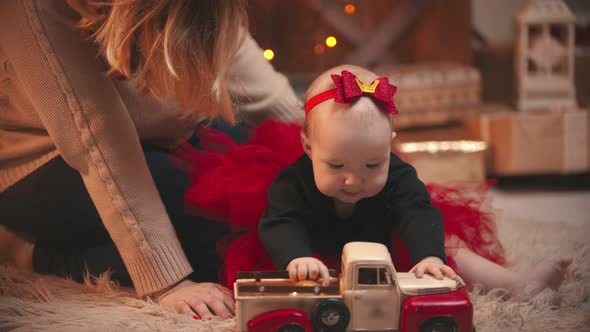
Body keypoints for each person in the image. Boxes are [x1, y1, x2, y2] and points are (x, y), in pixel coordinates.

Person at [0, 0, 303, 318]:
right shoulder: (32, 7)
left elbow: (230, 47)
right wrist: (169, 282)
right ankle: (25, 251)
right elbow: (96, 139)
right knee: (214, 244)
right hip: (47, 160)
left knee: (277, 194)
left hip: (167, 134)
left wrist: (319, 145)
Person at [181, 64, 572, 298]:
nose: (354, 180)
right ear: (307, 146)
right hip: (314, 252)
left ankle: (517, 284)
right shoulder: (292, 182)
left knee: (446, 246)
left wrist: (428, 256)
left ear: (390, 146)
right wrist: (295, 257)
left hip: (384, 245)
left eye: (372, 165)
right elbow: (280, 220)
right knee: (278, 262)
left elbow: (417, 212)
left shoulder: (400, 177)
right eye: (335, 165)